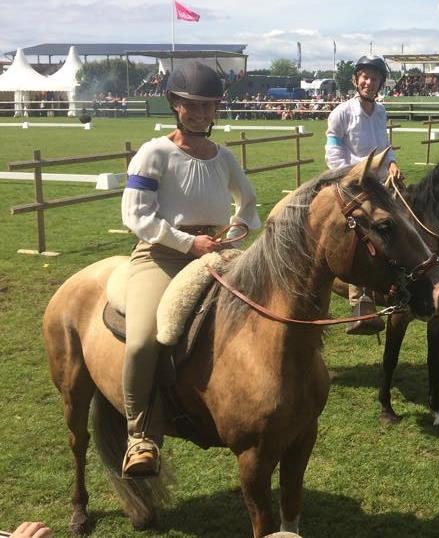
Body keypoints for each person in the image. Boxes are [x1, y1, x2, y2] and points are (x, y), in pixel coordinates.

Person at [120, 62, 260, 477]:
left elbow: (248, 202)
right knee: (144, 341)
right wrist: (188, 243)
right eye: (192, 105)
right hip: (161, 254)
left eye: (209, 105)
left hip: (215, 250)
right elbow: (136, 215)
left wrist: (233, 232)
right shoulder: (154, 152)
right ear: (176, 105)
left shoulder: (224, 157)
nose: (201, 113)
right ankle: (138, 434)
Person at [324, 55, 403, 335]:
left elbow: (386, 146)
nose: (369, 83)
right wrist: (354, 176)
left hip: (379, 183)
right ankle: (360, 305)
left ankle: (401, 282)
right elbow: (333, 153)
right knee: (360, 236)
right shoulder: (341, 113)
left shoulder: (380, 112)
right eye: (365, 78)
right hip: (352, 184)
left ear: (381, 82)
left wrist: (392, 163)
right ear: (356, 79)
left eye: (375, 78)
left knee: (403, 224)